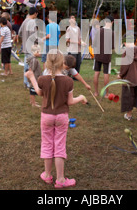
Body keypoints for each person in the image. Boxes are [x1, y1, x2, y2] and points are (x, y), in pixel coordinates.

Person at [25, 50, 87, 188]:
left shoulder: (42, 79)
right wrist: (81, 97)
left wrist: (32, 78)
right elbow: (70, 102)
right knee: (59, 146)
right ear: (62, 63)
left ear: (47, 62)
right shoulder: (68, 81)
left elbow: (40, 93)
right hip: (62, 116)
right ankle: (60, 179)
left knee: (47, 144)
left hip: (46, 116)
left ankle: (47, 175)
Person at [118, 32, 137, 121]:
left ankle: (129, 115)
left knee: (129, 96)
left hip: (129, 79)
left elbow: (124, 66)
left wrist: (120, 75)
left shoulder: (127, 52)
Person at [92, 16, 114, 98]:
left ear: (105, 22)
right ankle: (107, 93)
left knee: (96, 72)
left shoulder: (99, 31)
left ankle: (96, 92)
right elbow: (112, 46)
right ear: (112, 22)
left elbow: (94, 44)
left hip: (98, 55)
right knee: (106, 73)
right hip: (106, 56)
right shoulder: (112, 33)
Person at [17, 7, 38, 88]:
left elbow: (19, 33)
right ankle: (29, 83)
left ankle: (26, 82)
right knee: (31, 66)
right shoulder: (32, 22)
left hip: (25, 47)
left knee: (26, 65)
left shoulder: (24, 21)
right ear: (35, 13)